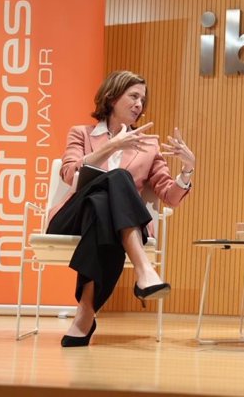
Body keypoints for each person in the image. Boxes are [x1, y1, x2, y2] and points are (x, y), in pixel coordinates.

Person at [47, 70, 196, 347]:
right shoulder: (82, 133)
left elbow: (169, 196)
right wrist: (109, 148)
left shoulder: (149, 146)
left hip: (102, 223)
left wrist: (187, 171)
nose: (140, 104)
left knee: (103, 210)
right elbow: (70, 175)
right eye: (134, 96)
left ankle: (85, 314)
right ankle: (144, 270)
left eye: (143, 99)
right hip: (72, 216)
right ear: (112, 97)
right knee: (118, 179)